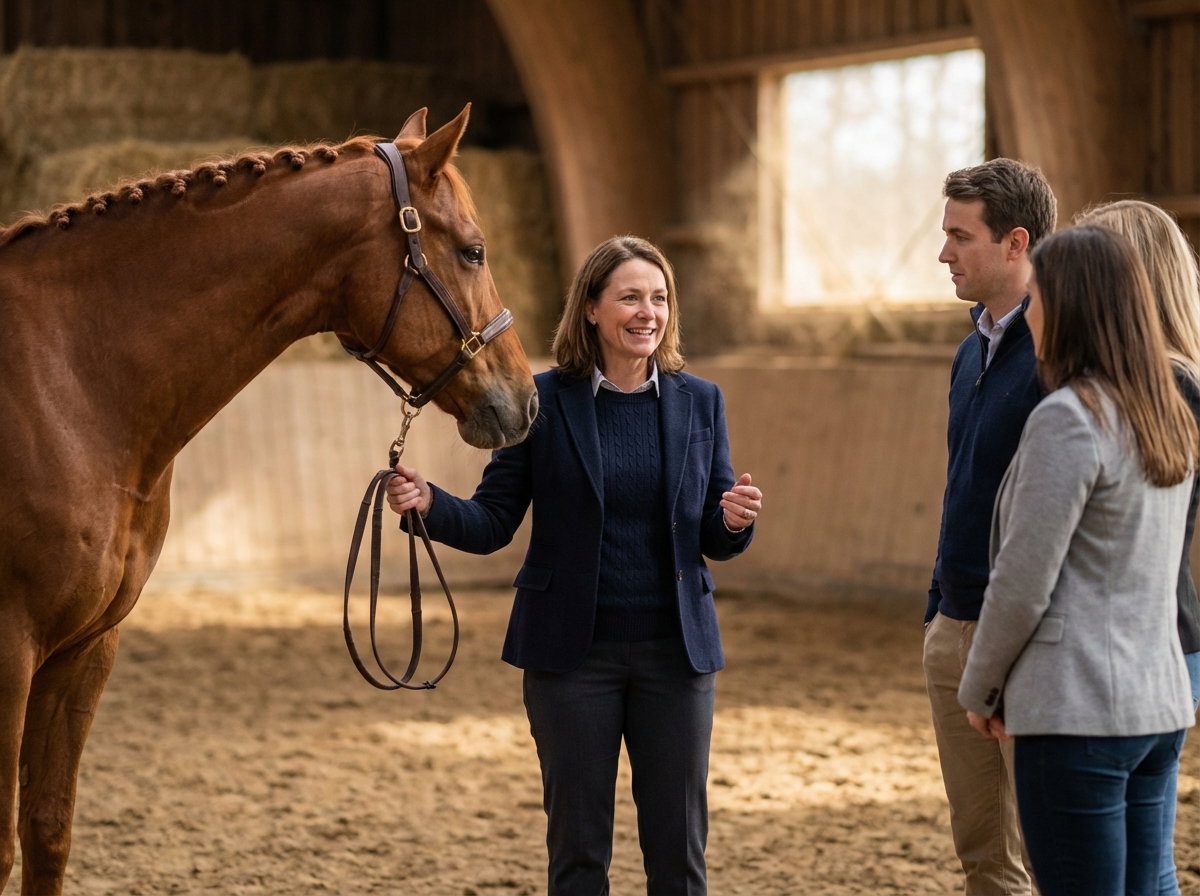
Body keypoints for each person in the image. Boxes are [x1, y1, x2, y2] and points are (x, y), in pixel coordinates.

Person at [384, 235, 761, 895]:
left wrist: (732, 520)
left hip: (677, 658)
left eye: (659, 297)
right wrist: (429, 506)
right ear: (590, 308)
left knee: (678, 855)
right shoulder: (544, 402)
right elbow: (493, 520)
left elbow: (712, 536)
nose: (648, 311)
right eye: (630, 297)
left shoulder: (701, 401)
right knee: (579, 854)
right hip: (570, 659)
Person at [958, 225, 1198, 896]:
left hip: (1076, 712)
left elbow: (1022, 581)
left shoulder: (1069, 417)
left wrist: (980, 688)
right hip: (1156, 706)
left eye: (1035, 298)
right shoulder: (1166, 417)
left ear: (1071, 307)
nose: (1028, 312)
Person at [924, 158, 1056, 895]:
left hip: (1030, 638)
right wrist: (938, 608)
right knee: (982, 852)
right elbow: (961, 489)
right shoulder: (969, 348)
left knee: (1055, 849)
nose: (943, 253)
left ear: (1015, 242)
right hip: (953, 628)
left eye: (958, 236)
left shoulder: (1062, 350)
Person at [1076, 199, 1200, 896]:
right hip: (1163, 636)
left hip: (1139, 642)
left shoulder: (1162, 383)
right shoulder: (1177, 378)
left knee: (1139, 865)